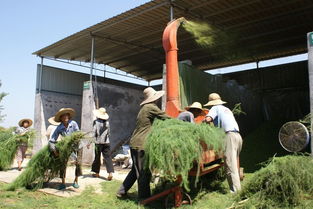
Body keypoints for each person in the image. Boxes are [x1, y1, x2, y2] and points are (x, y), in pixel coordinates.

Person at [116, 87, 170, 199]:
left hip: (135, 143)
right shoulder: (151, 107)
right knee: (143, 173)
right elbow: (167, 118)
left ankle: (121, 191)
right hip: (142, 144)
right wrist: (181, 122)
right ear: (154, 98)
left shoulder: (144, 108)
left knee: (135, 171)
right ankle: (145, 199)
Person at [203, 93, 243, 193]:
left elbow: (208, 119)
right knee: (234, 164)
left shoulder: (215, 108)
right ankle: (238, 189)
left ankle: (236, 193)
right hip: (237, 136)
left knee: (230, 165)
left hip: (229, 136)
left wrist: (202, 124)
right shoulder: (227, 109)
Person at [48, 108, 82, 190]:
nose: (65, 117)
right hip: (65, 148)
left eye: (66, 115)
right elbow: (52, 140)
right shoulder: (59, 128)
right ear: (61, 118)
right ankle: (63, 182)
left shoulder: (73, 123)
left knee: (77, 163)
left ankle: (76, 181)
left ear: (69, 116)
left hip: (76, 146)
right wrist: (54, 150)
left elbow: (78, 133)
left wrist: (74, 138)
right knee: (63, 164)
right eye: (63, 116)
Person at [88, 107, 114, 180]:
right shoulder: (107, 123)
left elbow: (93, 132)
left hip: (98, 142)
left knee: (97, 157)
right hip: (106, 142)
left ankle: (97, 173)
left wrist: (89, 142)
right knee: (108, 157)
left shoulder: (96, 122)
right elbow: (109, 133)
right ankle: (110, 173)